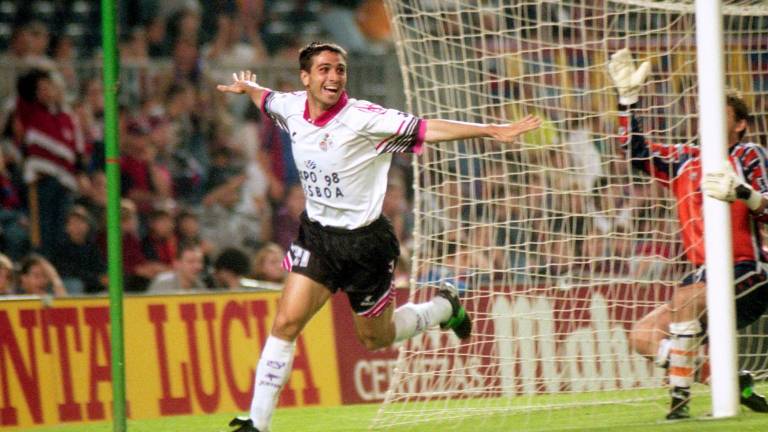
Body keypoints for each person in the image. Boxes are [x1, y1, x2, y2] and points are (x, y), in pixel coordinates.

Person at [216, 41, 542, 432]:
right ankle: (258, 423)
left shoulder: (366, 119)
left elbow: (427, 127)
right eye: (324, 69)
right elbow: (266, 99)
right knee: (286, 323)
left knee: (376, 337)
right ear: (306, 78)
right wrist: (248, 88)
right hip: (318, 237)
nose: (334, 76)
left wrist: (490, 130)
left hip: (364, 246)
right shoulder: (290, 107)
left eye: (339, 69)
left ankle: (442, 307)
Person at [609, 48, 768, 420]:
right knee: (643, 336)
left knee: (684, 301)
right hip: (701, 278)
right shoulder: (684, 159)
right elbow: (636, 153)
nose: (708, 120)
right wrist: (627, 101)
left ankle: (678, 403)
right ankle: (725, 380)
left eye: (720, 114)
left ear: (740, 123)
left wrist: (744, 194)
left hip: (748, 271)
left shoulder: (749, 155)